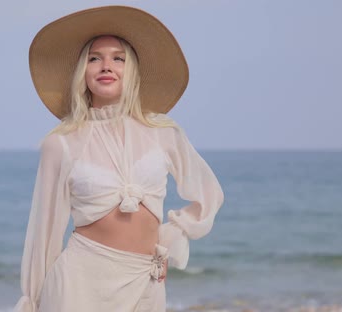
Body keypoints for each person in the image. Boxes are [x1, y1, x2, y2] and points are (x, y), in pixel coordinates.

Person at [14, 5, 224, 312]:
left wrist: (167, 241)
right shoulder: (60, 143)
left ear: (133, 70)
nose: (106, 66)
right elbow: (42, 233)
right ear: (81, 72)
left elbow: (208, 196)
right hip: (79, 284)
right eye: (94, 58)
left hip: (145, 280)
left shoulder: (162, 132)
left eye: (118, 58)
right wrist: (32, 301)